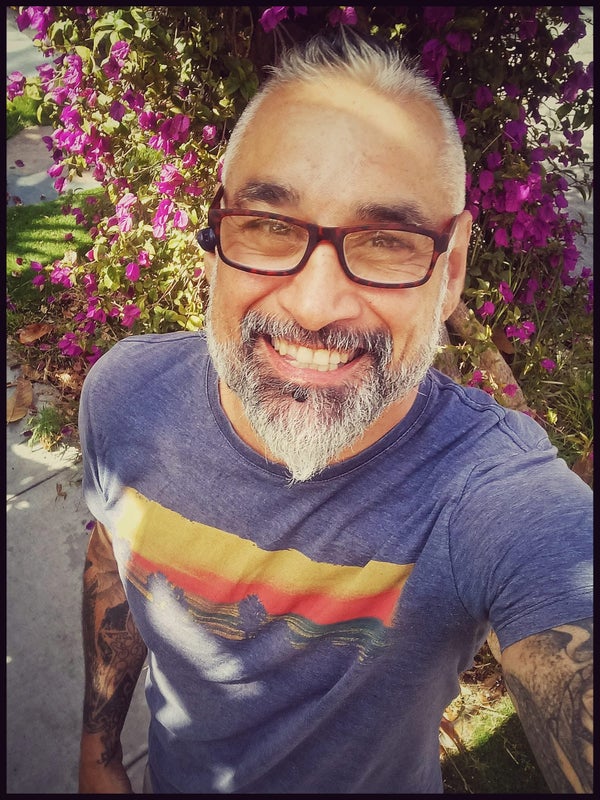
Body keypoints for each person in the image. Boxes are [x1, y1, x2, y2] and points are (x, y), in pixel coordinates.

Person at [78, 27, 593, 794]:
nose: (315, 306)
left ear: (451, 269)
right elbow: (111, 560)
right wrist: (97, 755)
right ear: (216, 235)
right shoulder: (124, 396)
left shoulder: (493, 496)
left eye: (387, 240)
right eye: (270, 225)